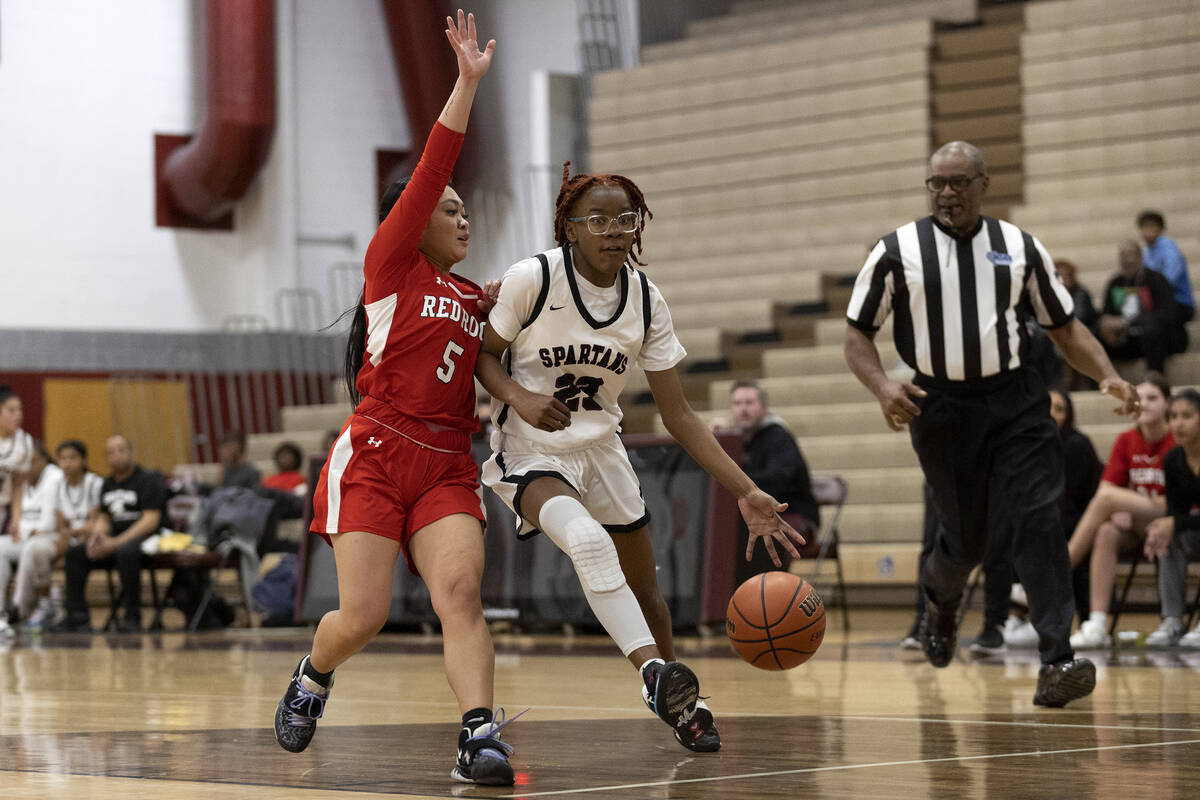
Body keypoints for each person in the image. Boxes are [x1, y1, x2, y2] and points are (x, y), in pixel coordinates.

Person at [476, 161, 806, 753]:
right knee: (586, 541)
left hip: (602, 449)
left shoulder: (647, 301)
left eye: (624, 220)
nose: (613, 231)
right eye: (596, 220)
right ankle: (654, 676)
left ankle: (682, 700)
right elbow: (484, 353)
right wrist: (517, 396)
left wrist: (746, 490)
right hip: (529, 449)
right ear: (569, 228)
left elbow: (679, 416)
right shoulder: (534, 279)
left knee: (646, 591)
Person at [272, 13, 515, 787]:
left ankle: (479, 734)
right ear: (412, 218)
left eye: (466, 209)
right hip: (376, 455)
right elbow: (436, 163)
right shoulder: (391, 266)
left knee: (461, 594)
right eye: (450, 208)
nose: (463, 215)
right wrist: (466, 83)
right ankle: (314, 673)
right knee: (365, 615)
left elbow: (496, 351)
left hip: (446, 460)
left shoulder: (475, 296)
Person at [844, 140, 1138, 707]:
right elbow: (857, 334)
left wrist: (1107, 376)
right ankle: (942, 603)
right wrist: (883, 386)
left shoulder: (1019, 247)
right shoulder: (895, 251)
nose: (946, 193)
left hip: (1015, 399)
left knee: (1037, 516)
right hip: (941, 406)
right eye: (937, 183)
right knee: (966, 540)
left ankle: (1058, 659)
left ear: (984, 184)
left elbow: (1064, 327)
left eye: (958, 182)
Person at [1067, 375, 1174, 648]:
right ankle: (1098, 623)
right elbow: (1108, 490)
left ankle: (1058, 570)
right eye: (1139, 398)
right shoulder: (1126, 440)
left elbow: (1108, 495)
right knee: (1105, 531)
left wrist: (1121, 503)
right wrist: (1122, 507)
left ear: (1167, 403)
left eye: (1153, 398)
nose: (1145, 404)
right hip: (1140, 523)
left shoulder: (1176, 437)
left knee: (1105, 502)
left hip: (1170, 515)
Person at [1005, 389, 1103, 648]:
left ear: (1068, 415)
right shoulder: (1025, 446)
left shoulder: (1078, 445)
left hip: (1077, 522)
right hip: (1038, 521)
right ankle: (1016, 615)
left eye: (1060, 409)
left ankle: (1061, 619)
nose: (1052, 414)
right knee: (1012, 528)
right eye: (1048, 407)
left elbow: (1088, 498)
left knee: (1047, 534)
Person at [49, 436, 167, 634]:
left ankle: (132, 616)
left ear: (131, 452)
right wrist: (97, 537)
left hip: (146, 539)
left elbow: (150, 520)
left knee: (126, 553)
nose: (116, 456)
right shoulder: (108, 484)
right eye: (111, 452)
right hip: (114, 539)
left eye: (121, 450)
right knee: (76, 553)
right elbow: (104, 517)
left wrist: (116, 542)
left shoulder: (148, 479)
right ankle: (77, 617)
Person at [726, 380, 819, 585]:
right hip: (757, 512)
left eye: (749, 403)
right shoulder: (735, 440)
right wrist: (719, 439)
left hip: (792, 511)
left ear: (764, 408)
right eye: (738, 403)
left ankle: (761, 595)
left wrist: (737, 484)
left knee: (744, 526)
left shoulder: (779, 437)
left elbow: (776, 483)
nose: (743, 409)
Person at [21, 440, 104, 630]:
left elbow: (94, 524)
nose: (67, 463)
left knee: (72, 555)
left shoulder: (94, 483)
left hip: (90, 541)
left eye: (72, 458)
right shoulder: (57, 486)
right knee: (38, 551)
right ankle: (44, 606)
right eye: (63, 458)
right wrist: (74, 532)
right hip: (69, 540)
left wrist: (75, 531)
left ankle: (68, 609)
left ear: (83, 460)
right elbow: (61, 527)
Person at [1144, 389, 1200, 646]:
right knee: (1168, 538)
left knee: (1173, 528)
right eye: (1174, 416)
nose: (1178, 423)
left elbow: (1177, 519)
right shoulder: (1174, 459)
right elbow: (1176, 511)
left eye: (1187, 416)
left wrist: (1174, 522)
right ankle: (1172, 621)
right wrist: (1162, 527)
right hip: (1195, 528)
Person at [1095, 239, 1187, 373]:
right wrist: (1106, 324)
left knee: (1153, 330)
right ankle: (1102, 383)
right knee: (1096, 334)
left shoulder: (1156, 279)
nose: (1128, 260)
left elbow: (1167, 313)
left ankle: (1155, 380)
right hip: (1128, 339)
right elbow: (1107, 314)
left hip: (1159, 336)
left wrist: (1127, 322)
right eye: (1123, 256)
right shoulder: (1115, 282)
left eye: (1131, 254)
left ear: (1141, 257)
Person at [4, 441, 63, 628]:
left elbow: (49, 522)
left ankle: (19, 607)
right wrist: (21, 530)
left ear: (45, 460)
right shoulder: (22, 481)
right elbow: (19, 520)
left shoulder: (55, 477)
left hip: (52, 537)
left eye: (33, 461)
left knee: (32, 548)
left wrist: (29, 531)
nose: (27, 466)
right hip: (28, 537)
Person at [1138, 210, 1193, 323]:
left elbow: (1168, 280)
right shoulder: (1146, 252)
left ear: (1161, 229)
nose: (1147, 231)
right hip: (1159, 303)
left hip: (1179, 302)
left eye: (1151, 226)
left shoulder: (1169, 248)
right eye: (1144, 227)